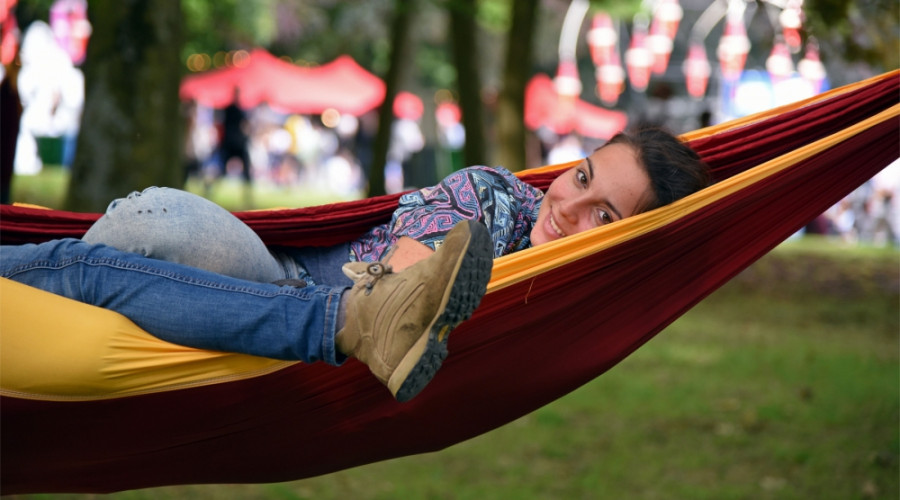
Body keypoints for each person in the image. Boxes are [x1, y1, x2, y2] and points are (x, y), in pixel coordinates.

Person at [1, 127, 709, 401]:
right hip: (270, 279)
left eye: (606, 216)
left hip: (269, 345)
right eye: (582, 177)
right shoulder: (498, 198)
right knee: (147, 218)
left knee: (93, 273)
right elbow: (407, 273)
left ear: (628, 244)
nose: (570, 206)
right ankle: (345, 321)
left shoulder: (579, 308)